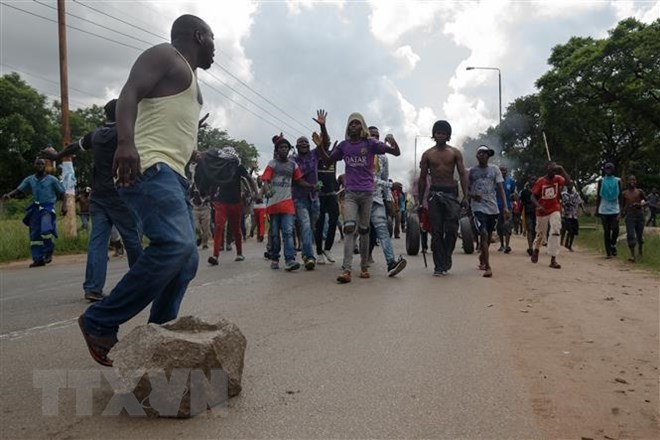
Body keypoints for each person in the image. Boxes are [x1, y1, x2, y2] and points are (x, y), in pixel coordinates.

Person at [77, 14, 215, 367]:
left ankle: (160, 332)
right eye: (212, 39)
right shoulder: (165, 55)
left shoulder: (190, 80)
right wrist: (125, 142)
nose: (215, 49)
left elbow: (167, 122)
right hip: (150, 167)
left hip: (172, 174)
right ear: (199, 36)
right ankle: (99, 320)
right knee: (176, 245)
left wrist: (194, 152)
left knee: (187, 260)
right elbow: (129, 92)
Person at [41, 99, 143, 302]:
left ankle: (93, 288)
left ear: (105, 115)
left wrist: (55, 155)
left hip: (98, 195)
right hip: (120, 193)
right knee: (132, 239)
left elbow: (73, 148)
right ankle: (141, 284)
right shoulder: (126, 133)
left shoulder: (96, 135)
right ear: (124, 112)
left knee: (98, 241)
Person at [315, 110, 401, 283]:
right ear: (348, 127)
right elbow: (328, 161)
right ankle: (347, 270)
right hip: (351, 194)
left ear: (362, 126)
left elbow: (396, 153)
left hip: (368, 194)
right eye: (351, 123)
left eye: (357, 123)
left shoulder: (370, 143)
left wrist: (393, 143)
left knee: (364, 230)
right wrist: (320, 142)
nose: (354, 126)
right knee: (348, 228)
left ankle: (363, 266)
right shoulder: (344, 146)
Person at [418, 120, 468, 276]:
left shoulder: (454, 153)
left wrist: (465, 196)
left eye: (444, 133)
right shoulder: (427, 154)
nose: (440, 135)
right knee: (437, 230)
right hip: (434, 194)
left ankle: (447, 256)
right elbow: (422, 178)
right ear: (434, 135)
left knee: (452, 229)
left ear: (448, 135)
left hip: (451, 193)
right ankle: (439, 265)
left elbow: (462, 174)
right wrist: (420, 201)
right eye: (438, 132)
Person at [261, 135, 317, 271]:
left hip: (287, 204)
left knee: (288, 232)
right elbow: (266, 180)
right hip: (274, 205)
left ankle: (290, 260)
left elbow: (299, 181)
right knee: (274, 234)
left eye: (286, 147)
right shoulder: (272, 164)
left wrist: (311, 186)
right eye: (281, 147)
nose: (284, 149)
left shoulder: (293, 165)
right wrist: (268, 190)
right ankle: (275, 258)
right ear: (277, 150)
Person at [2, 158, 67, 267]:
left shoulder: (52, 179)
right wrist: (9, 194)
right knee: (35, 234)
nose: (40, 165)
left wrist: (64, 206)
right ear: (34, 165)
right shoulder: (30, 179)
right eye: (38, 163)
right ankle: (38, 259)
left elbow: (63, 193)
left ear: (45, 166)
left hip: (47, 207)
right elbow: (19, 189)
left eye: (42, 164)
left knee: (46, 230)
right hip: (36, 208)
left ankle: (48, 251)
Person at [366, 126, 407, 277]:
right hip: (361, 198)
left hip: (377, 199)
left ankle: (391, 262)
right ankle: (355, 263)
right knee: (362, 230)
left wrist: (389, 200)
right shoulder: (363, 154)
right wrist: (391, 185)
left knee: (382, 230)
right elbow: (369, 179)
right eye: (371, 135)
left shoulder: (383, 157)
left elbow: (383, 178)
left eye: (376, 135)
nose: (374, 137)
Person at [208, 147, 254, 265]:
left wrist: (254, 192)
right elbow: (212, 182)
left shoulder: (238, 166)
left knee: (235, 228)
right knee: (219, 227)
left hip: (235, 202)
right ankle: (215, 255)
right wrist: (212, 197)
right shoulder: (219, 167)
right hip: (221, 202)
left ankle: (239, 253)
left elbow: (248, 178)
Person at [468, 146, 509, 278]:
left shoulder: (494, 169)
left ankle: (482, 256)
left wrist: (505, 207)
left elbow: (501, 189)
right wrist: (473, 196)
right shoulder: (471, 172)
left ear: (488, 156)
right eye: (480, 153)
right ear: (476, 155)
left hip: (492, 208)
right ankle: (488, 266)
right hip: (478, 207)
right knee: (484, 234)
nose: (483, 155)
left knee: (489, 236)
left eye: (485, 154)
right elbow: (465, 189)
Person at [530, 162, 571, 269]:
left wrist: (562, 169)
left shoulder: (558, 179)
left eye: (554, 168)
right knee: (540, 233)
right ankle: (536, 249)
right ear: (546, 169)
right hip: (542, 211)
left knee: (556, 230)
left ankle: (553, 258)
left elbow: (569, 183)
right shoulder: (540, 181)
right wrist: (538, 205)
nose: (553, 170)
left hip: (555, 209)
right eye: (550, 168)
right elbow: (532, 197)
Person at [292, 136, 321, 270]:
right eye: (301, 142)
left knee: (311, 228)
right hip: (299, 197)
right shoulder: (293, 160)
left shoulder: (314, 155)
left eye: (306, 142)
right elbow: (297, 180)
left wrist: (323, 127)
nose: (304, 144)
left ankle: (305, 252)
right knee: (305, 226)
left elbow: (324, 144)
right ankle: (309, 256)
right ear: (296, 146)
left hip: (314, 198)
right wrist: (311, 186)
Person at [314, 133, 339, 265]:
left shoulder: (333, 154)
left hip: (332, 193)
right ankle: (319, 252)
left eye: (328, 141)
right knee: (319, 223)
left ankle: (327, 249)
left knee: (334, 221)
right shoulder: (314, 156)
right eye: (324, 141)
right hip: (319, 195)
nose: (327, 143)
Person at [595, 162, 623, 258]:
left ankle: (613, 244)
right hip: (603, 209)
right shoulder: (601, 181)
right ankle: (608, 252)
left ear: (613, 169)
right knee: (606, 231)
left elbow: (620, 196)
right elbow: (598, 196)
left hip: (615, 209)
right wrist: (597, 209)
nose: (608, 170)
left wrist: (621, 210)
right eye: (606, 168)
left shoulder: (618, 181)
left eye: (610, 168)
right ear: (604, 170)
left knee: (615, 229)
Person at [621, 175, 646, 262]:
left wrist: (640, 204)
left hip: (639, 215)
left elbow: (647, 201)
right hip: (630, 215)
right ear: (628, 181)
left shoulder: (640, 191)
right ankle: (632, 255)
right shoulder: (624, 193)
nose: (632, 181)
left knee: (639, 235)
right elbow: (622, 205)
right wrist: (621, 214)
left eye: (634, 180)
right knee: (631, 235)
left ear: (636, 181)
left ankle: (640, 251)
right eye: (630, 180)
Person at [496, 165, 516, 253]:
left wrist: (513, 196)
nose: (503, 172)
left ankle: (507, 246)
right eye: (501, 170)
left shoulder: (511, 181)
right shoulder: (495, 181)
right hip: (497, 207)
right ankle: (501, 245)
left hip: (508, 207)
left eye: (504, 170)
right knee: (499, 226)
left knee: (507, 225)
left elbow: (513, 193)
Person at [560, 181, 583, 252]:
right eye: (568, 185)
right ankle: (565, 242)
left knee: (574, 231)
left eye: (571, 185)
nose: (570, 186)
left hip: (574, 215)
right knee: (569, 229)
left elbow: (580, 203)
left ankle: (569, 244)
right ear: (566, 186)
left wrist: (584, 210)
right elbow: (560, 203)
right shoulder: (563, 194)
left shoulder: (576, 194)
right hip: (566, 215)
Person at [519, 176, 537, 256]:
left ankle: (532, 245)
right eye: (532, 179)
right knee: (530, 229)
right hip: (528, 212)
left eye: (534, 180)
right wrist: (520, 214)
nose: (533, 181)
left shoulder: (538, 191)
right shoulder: (524, 192)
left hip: (537, 213)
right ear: (528, 181)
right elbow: (522, 203)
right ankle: (530, 248)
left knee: (535, 230)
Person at [189, 184, 211, 249]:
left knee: (205, 227)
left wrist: (205, 199)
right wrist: (192, 201)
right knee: (196, 226)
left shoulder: (207, 185)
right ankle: (199, 237)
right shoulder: (193, 186)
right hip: (195, 208)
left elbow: (211, 195)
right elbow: (190, 196)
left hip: (205, 207)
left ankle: (205, 243)